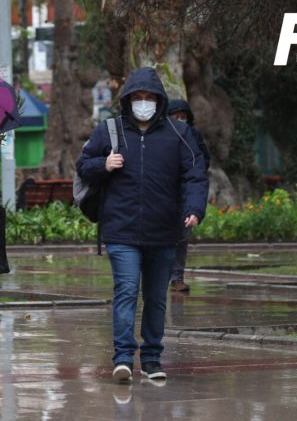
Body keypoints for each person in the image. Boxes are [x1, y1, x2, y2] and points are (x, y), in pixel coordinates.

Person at [76, 67, 208, 383]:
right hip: (121, 230)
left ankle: (151, 359)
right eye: (138, 97)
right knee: (126, 290)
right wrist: (103, 164)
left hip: (164, 232)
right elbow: (83, 166)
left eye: (150, 97)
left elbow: (195, 174)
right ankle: (123, 358)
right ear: (128, 100)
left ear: (159, 100)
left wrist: (194, 209)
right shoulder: (109, 131)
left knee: (156, 297)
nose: (144, 103)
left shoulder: (179, 134)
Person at [167, 99, 211, 293]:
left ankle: (177, 277)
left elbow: (202, 162)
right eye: (175, 117)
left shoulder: (193, 136)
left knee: (182, 238)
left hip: (185, 195)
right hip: (163, 194)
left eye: (182, 117)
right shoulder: (159, 136)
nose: (179, 121)